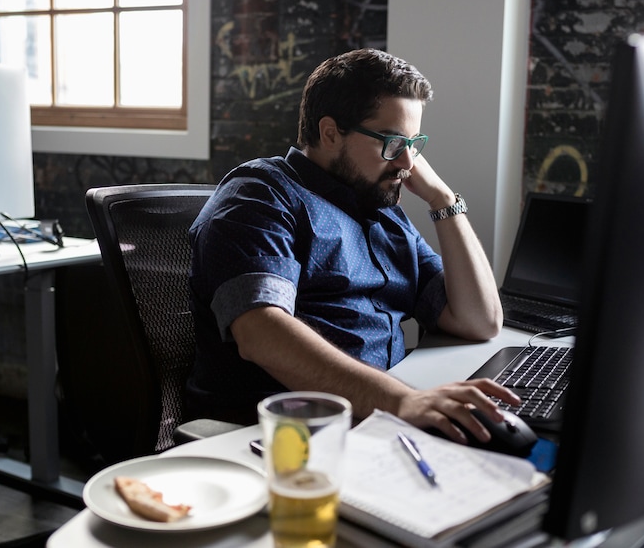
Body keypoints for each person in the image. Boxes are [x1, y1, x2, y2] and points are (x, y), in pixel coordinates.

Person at [185, 48, 519, 445]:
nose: (407, 162)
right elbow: (261, 333)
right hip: (284, 436)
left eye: (414, 144)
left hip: (381, 418)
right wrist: (403, 402)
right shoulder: (261, 196)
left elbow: (479, 320)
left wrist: (444, 200)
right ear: (330, 133)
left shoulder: (383, 211)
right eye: (393, 142)